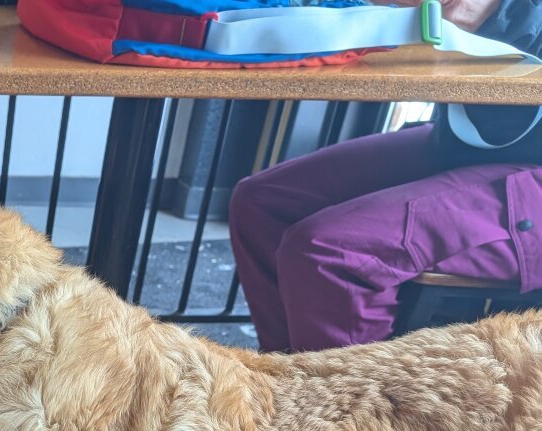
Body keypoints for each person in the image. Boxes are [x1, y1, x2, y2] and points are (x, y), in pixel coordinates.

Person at [229, 0, 542, 352]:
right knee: (260, 201)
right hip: (473, 135)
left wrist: (502, 13)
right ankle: (285, 381)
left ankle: (349, 404)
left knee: (330, 254)